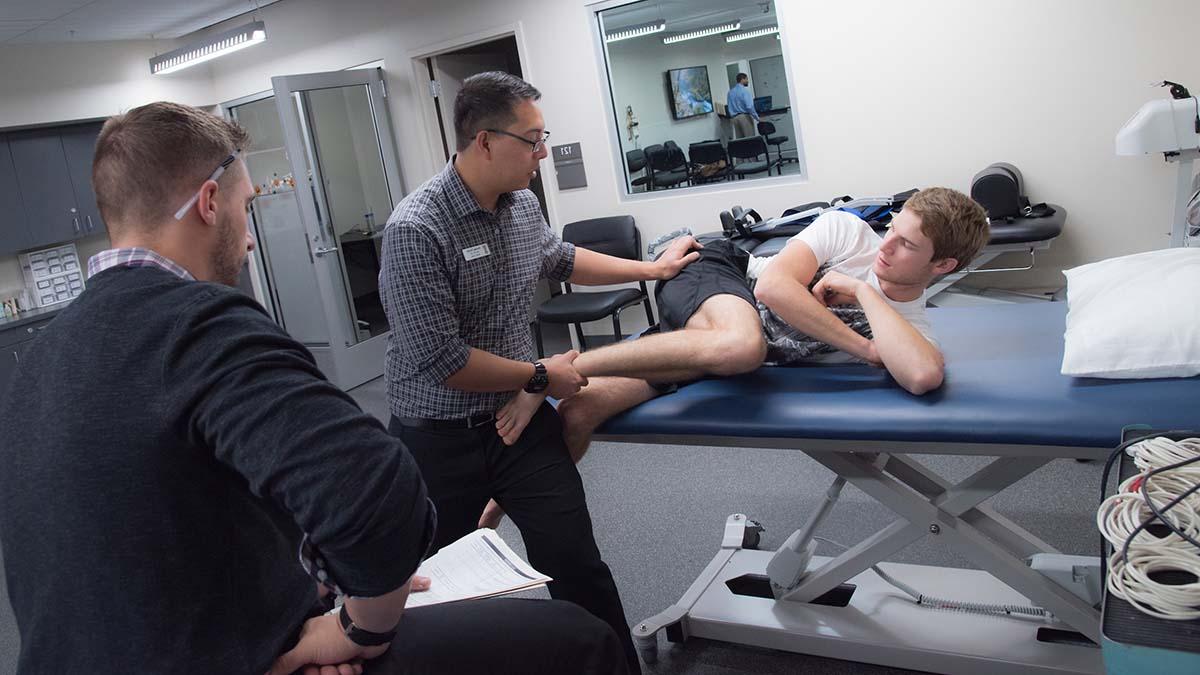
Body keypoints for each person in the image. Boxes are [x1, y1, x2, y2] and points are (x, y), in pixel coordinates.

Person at [0, 101, 628, 675]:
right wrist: (356, 629)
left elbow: (149, 524)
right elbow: (381, 499)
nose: (248, 239)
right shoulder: (202, 326)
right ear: (210, 203)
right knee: (576, 638)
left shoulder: (38, 360)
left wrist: (312, 582)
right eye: (248, 210)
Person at [379, 71, 698, 675]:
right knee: (447, 588)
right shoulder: (415, 230)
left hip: (521, 429)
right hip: (438, 439)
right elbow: (443, 361)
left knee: (578, 565)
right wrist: (539, 375)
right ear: (485, 142)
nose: (544, 153)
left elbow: (562, 259)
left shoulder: (522, 205)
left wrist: (652, 271)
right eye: (533, 139)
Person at [489, 188, 991, 489]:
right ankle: (544, 373)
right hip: (720, 275)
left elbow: (923, 374)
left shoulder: (910, 324)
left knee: (578, 412)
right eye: (893, 230)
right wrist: (863, 347)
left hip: (709, 347)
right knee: (742, 346)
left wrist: (864, 291)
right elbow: (773, 288)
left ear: (942, 265)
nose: (887, 245)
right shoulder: (848, 232)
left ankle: (486, 527)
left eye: (906, 244)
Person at [726, 72, 759, 138]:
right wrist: (757, 117)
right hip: (744, 118)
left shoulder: (730, 92)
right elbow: (749, 107)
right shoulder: (745, 91)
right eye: (746, 79)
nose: (747, 81)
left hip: (735, 119)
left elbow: (729, 106)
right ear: (742, 79)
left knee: (741, 142)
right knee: (750, 140)